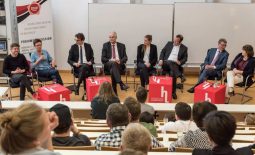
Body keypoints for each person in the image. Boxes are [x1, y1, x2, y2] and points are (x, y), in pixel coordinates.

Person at [158, 34, 188, 99]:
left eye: (176, 41)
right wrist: (160, 59)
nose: (174, 42)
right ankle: (180, 75)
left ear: (180, 42)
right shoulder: (169, 43)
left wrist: (180, 62)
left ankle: (173, 92)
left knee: (173, 73)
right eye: (174, 40)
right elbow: (162, 52)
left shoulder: (184, 48)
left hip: (175, 66)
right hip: (165, 63)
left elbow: (185, 58)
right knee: (170, 61)